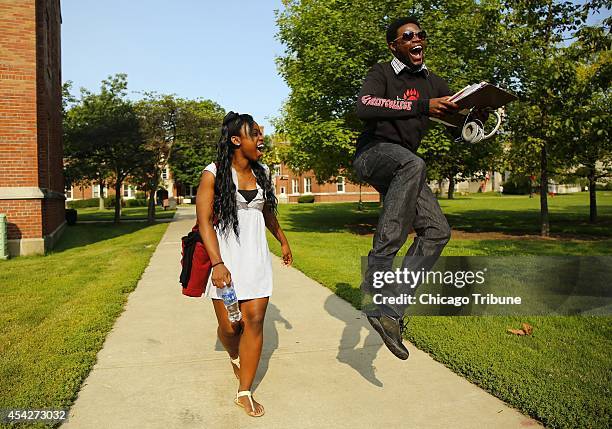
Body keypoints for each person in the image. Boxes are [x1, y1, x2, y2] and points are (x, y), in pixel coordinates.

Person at [353, 16, 473, 360]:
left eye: (420, 35)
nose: (417, 39)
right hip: (372, 155)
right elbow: (365, 105)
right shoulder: (382, 72)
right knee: (412, 162)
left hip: (406, 167)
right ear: (395, 46)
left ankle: (389, 309)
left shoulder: (434, 81)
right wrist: (422, 106)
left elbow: (454, 122)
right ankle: (378, 271)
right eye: (408, 36)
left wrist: (475, 119)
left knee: (437, 231)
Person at [195, 112, 292, 417]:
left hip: (257, 259)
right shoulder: (213, 173)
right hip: (226, 261)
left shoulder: (262, 172)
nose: (261, 138)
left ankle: (244, 391)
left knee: (254, 321)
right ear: (237, 140)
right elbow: (204, 222)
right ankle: (234, 353)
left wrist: (282, 239)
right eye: (255, 134)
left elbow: (266, 213)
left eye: (261, 133)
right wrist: (217, 263)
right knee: (230, 325)